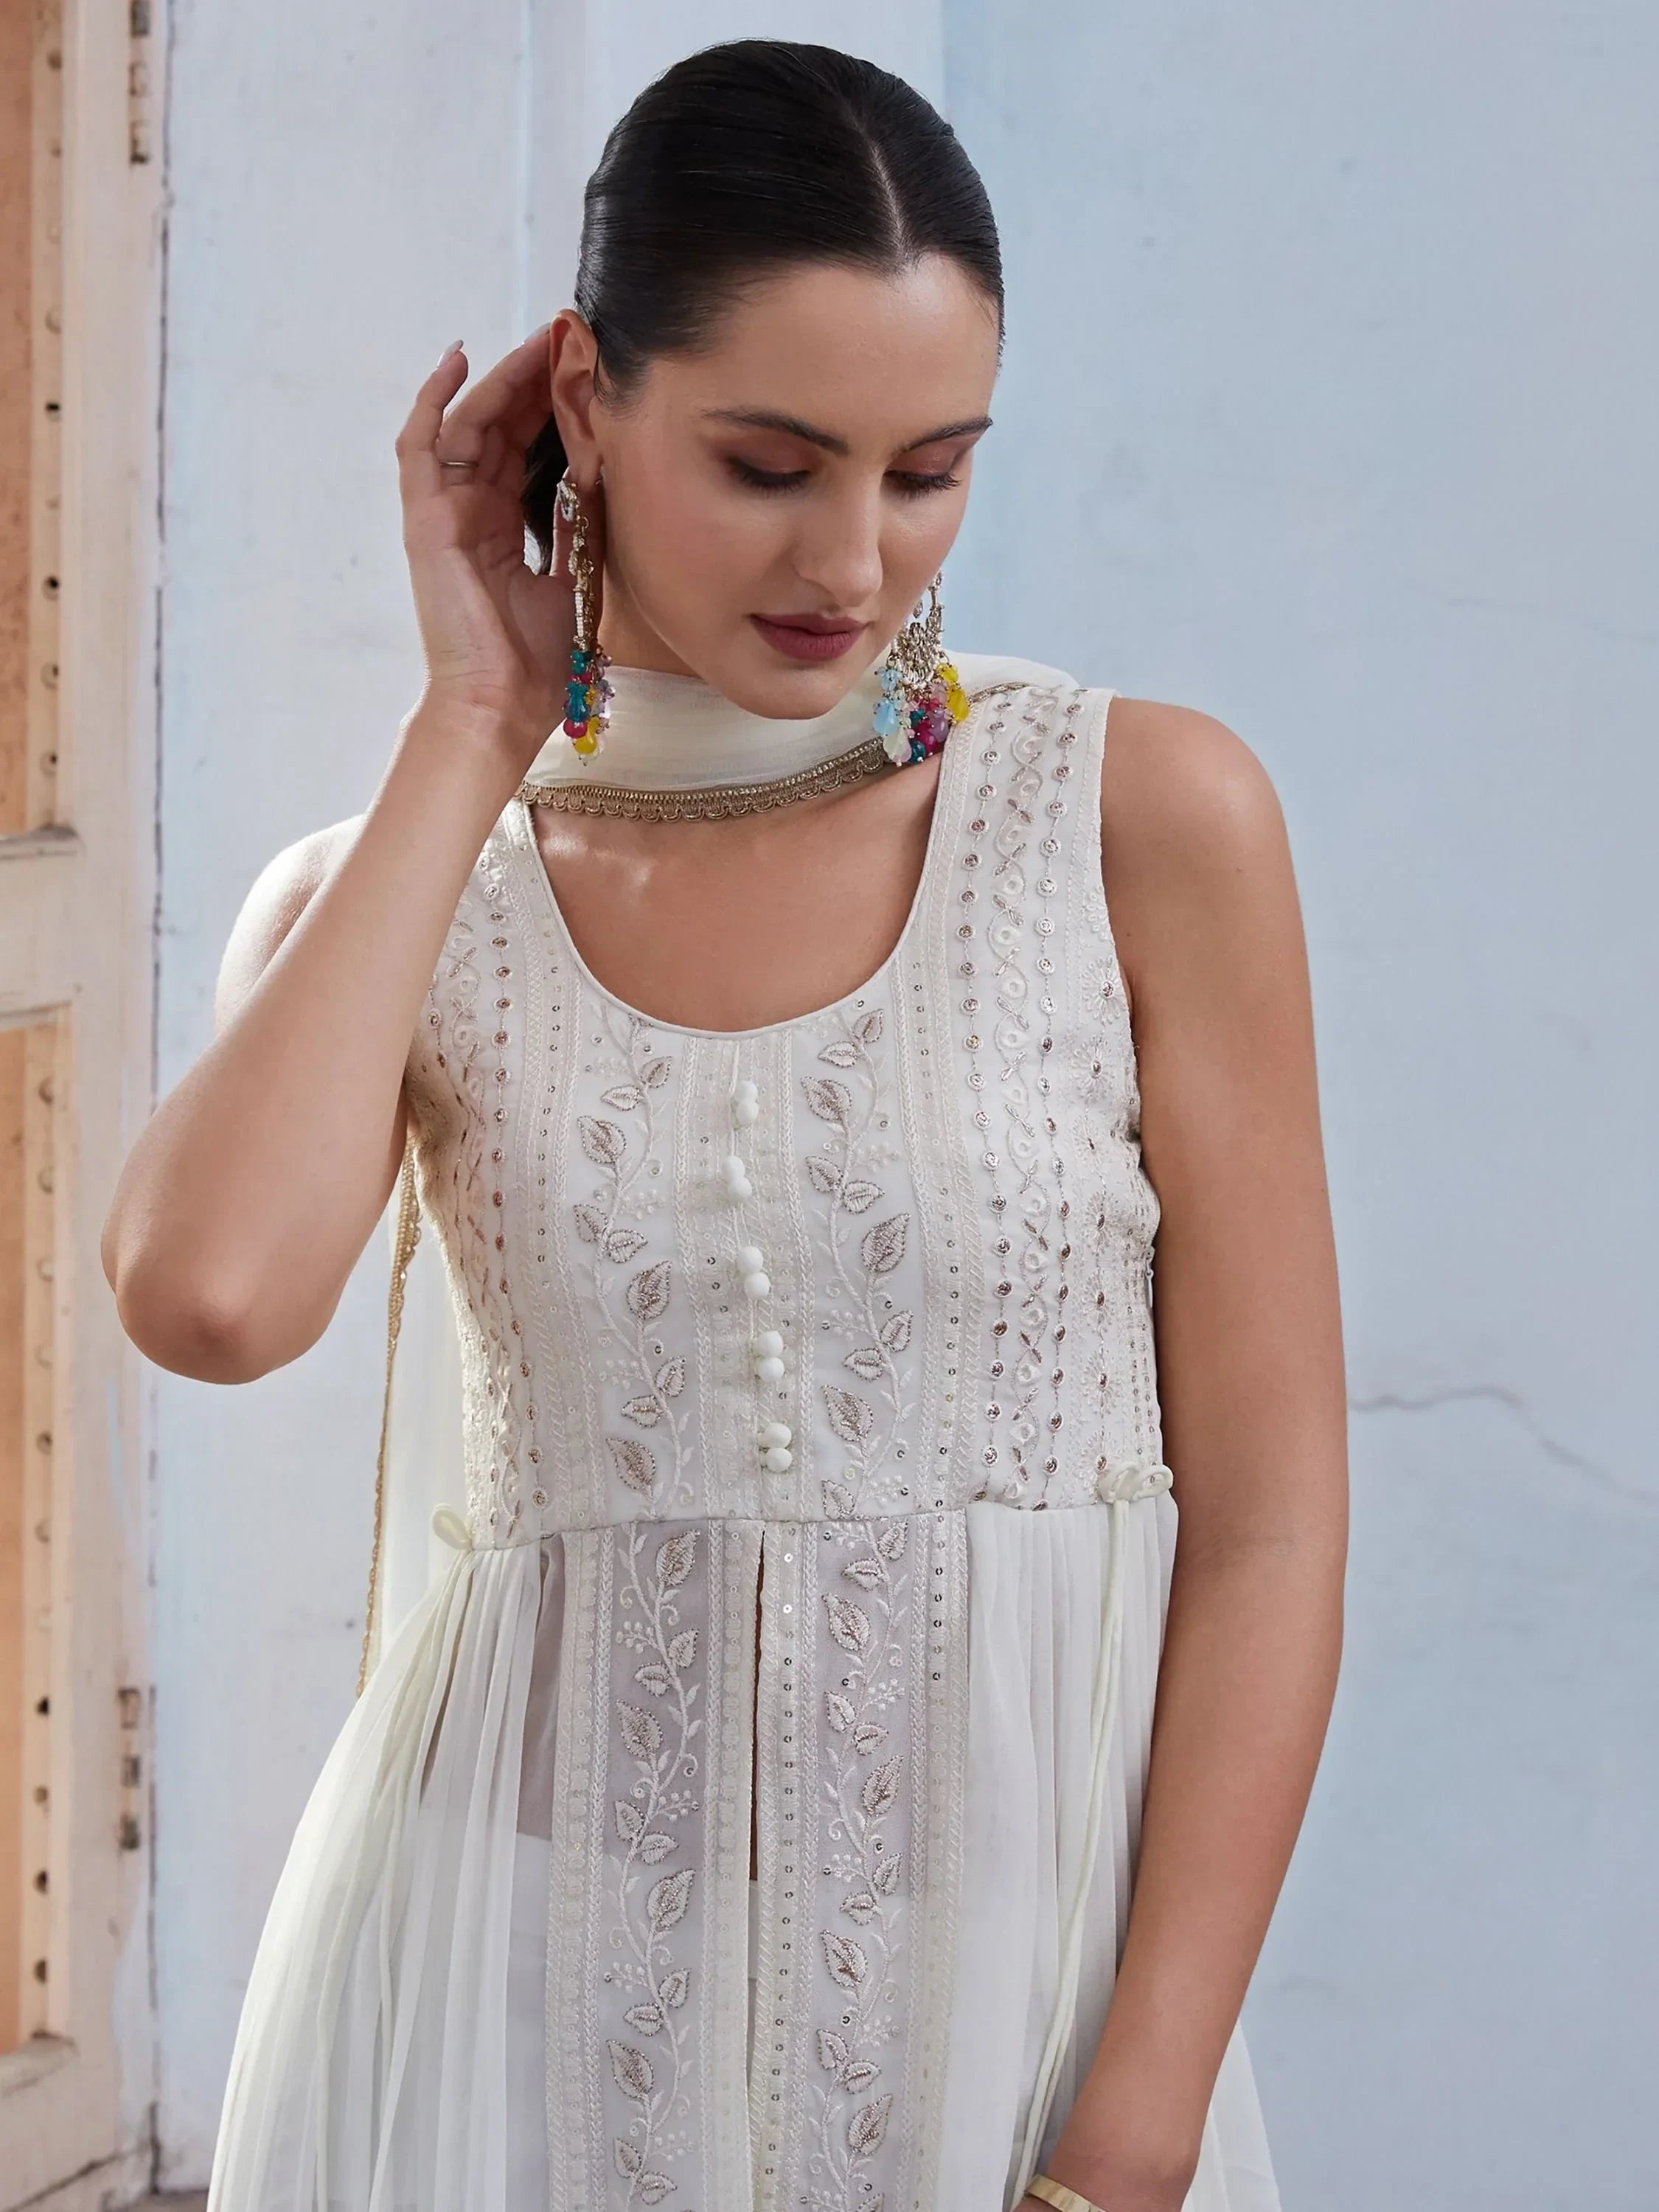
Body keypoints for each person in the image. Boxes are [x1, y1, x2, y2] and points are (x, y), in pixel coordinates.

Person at [101, 37, 1346, 2212]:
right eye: (768, 462)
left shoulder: (1131, 821)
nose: (853, 560)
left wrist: (1132, 2138)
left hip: (1025, 2051)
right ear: (581, 401)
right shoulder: (390, 906)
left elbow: (1268, 1525)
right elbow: (208, 1302)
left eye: (928, 470)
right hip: (487, 2038)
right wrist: (476, 716)